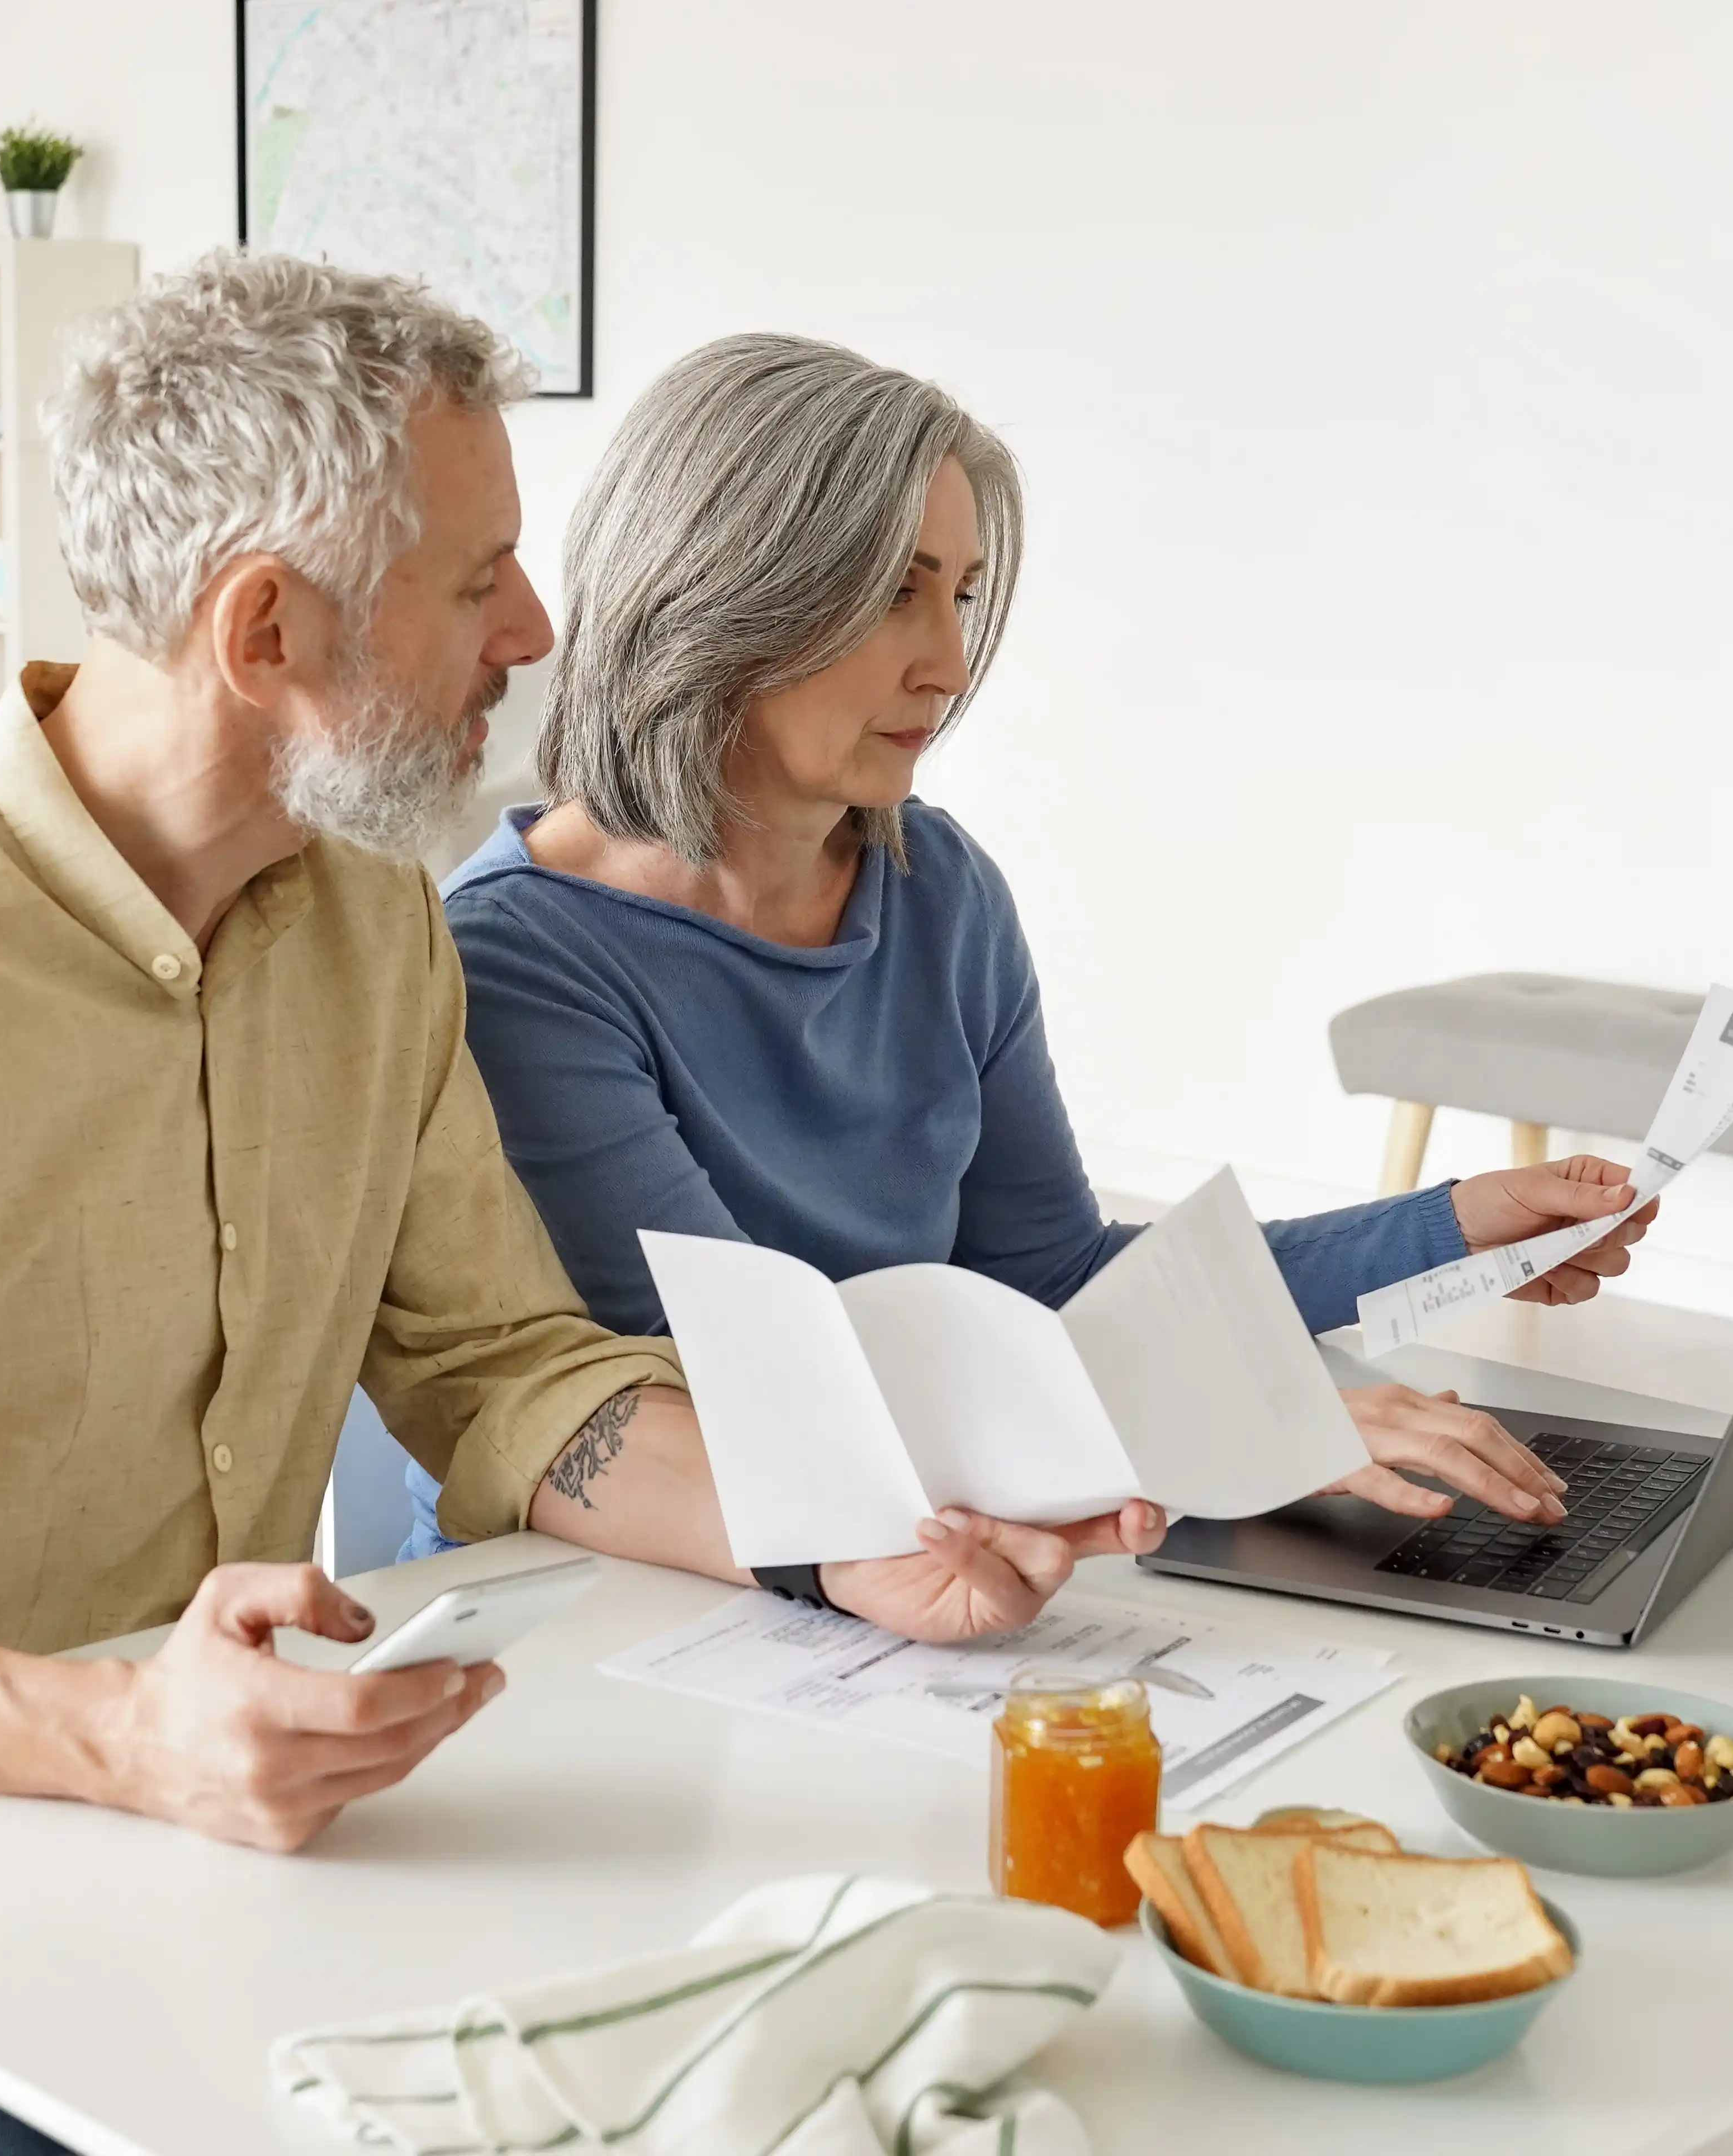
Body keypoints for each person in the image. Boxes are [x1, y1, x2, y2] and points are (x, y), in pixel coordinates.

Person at [0, 263, 1153, 2156]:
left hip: (206, 1836)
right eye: (478, 582)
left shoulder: (374, 930)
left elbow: (504, 1367)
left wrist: (835, 1531)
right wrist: (120, 1737)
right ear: (267, 628)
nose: (536, 631)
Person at [403, 333, 1646, 1559]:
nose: (947, 663)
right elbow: (773, 1385)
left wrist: (1449, 1229)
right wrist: (1231, 1430)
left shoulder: (934, 886)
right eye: (896, 589)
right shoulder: (523, 961)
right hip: (603, 1599)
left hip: (894, 1557)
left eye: (962, 592)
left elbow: (1054, 1277)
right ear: (722, 591)